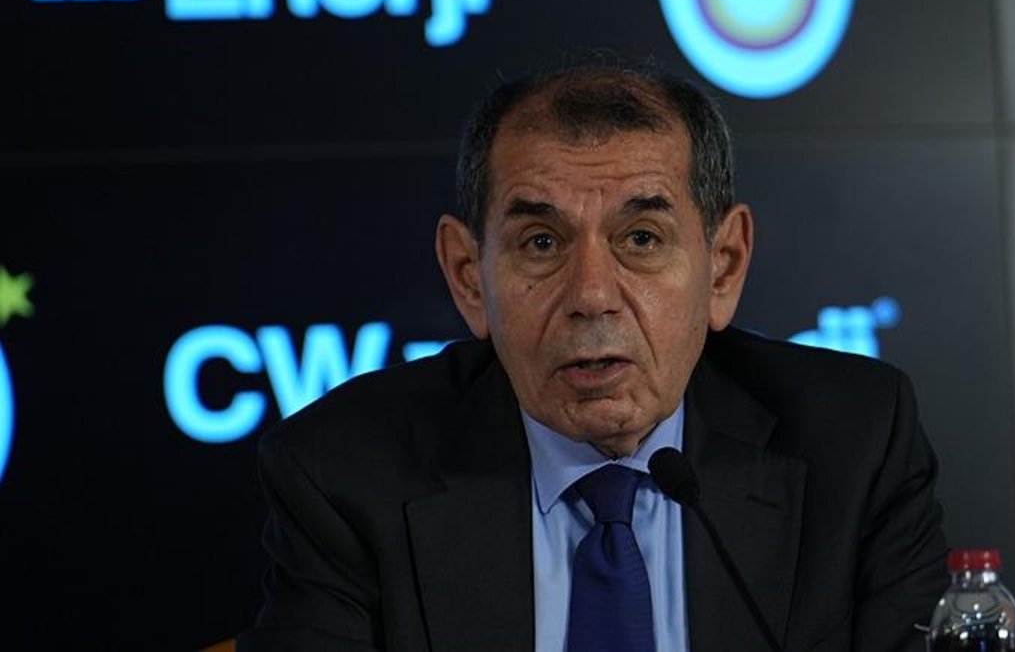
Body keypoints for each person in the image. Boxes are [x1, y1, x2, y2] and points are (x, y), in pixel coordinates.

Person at [237, 60, 947, 652]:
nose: (592, 296)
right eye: (542, 243)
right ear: (468, 277)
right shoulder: (345, 475)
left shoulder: (854, 446)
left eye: (641, 238)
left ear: (723, 267)